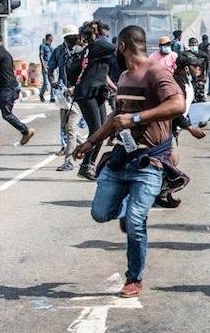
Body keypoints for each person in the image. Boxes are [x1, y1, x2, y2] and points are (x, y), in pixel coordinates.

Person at [73, 25, 185, 298]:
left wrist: (136, 119)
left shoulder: (157, 73)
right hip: (121, 158)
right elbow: (115, 119)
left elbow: (178, 104)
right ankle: (125, 208)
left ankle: (133, 279)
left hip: (150, 161)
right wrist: (90, 143)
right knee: (99, 213)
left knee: (136, 221)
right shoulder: (123, 76)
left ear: (122, 46)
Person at [72, 21, 114, 180]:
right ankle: (85, 166)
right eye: (101, 30)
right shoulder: (99, 46)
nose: (105, 32)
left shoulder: (95, 49)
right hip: (87, 92)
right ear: (94, 33)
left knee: (102, 130)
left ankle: (90, 165)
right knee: (97, 129)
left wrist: (115, 88)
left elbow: (102, 73)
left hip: (97, 91)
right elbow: (118, 47)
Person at [0, 34, 36, 147]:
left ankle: (26, 131)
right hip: (0, 87)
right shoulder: (5, 52)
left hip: (7, 88)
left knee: (6, 114)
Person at [48, 24, 83, 171]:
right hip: (63, 96)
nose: (73, 40)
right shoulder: (58, 52)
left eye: (75, 38)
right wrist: (53, 82)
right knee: (65, 128)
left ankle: (68, 161)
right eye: (71, 38)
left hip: (77, 95)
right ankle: (89, 143)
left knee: (70, 128)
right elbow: (50, 70)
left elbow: (85, 73)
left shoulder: (82, 52)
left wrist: (75, 88)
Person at [188, 37, 209, 103]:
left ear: (197, 44)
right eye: (192, 43)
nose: (193, 44)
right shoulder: (185, 55)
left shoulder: (203, 55)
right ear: (189, 45)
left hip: (200, 79)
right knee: (190, 98)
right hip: (189, 80)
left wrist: (205, 76)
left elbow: (206, 66)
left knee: (201, 98)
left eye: (195, 43)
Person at [39, 34, 55, 103]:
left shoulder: (51, 48)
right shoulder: (42, 46)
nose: (51, 41)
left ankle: (52, 97)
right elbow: (41, 57)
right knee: (45, 83)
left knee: (52, 82)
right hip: (45, 67)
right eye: (50, 40)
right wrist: (44, 66)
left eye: (51, 40)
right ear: (47, 39)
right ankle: (41, 94)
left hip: (51, 67)